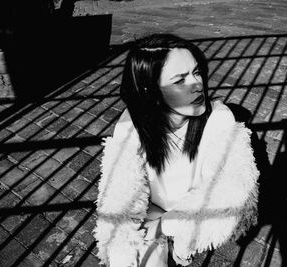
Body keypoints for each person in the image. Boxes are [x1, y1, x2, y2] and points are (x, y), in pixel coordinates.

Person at [94, 33, 259, 267]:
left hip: (194, 210)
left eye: (197, 72)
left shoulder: (218, 118)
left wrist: (175, 228)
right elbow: (119, 196)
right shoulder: (131, 123)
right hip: (151, 210)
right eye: (179, 80)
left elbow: (232, 192)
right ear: (150, 90)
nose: (198, 85)